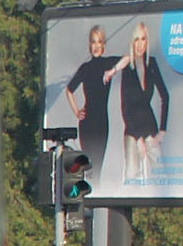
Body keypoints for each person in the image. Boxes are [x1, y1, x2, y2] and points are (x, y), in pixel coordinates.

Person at [115, 17, 170, 188]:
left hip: (150, 128)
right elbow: (125, 106)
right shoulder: (127, 67)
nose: (140, 44)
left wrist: (162, 130)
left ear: (147, 41)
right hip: (132, 130)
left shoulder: (151, 64)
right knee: (131, 174)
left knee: (160, 174)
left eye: (143, 39)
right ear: (132, 42)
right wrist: (138, 139)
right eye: (136, 39)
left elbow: (165, 96)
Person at [62, 23, 117, 179]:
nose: (96, 46)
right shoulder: (85, 68)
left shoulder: (108, 63)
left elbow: (129, 58)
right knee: (88, 168)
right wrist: (76, 111)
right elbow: (69, 89)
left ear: (104, 44)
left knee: (98, 167)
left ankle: (97, 198)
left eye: (99, 42)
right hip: (87, 124)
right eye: (93, 42)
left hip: (102, 123)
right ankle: (87, 198)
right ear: (89, 45)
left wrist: (113, 70)